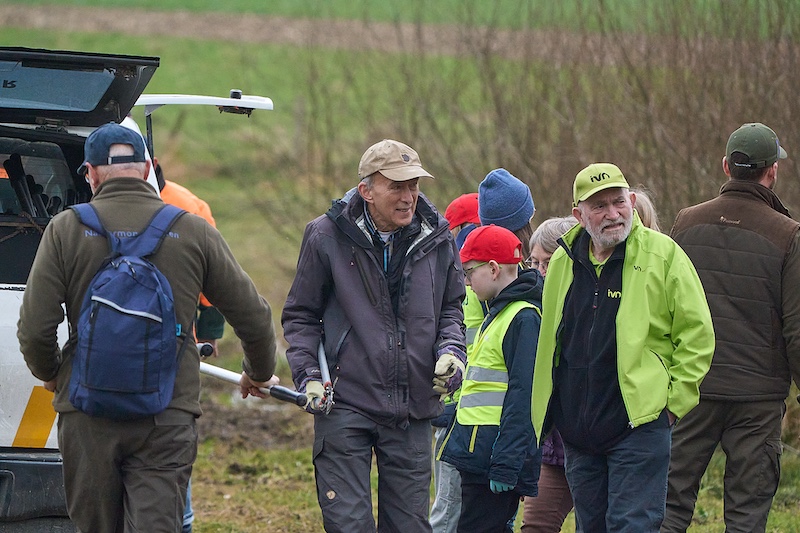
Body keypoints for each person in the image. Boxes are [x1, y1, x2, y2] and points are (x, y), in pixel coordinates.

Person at [17, 123, 278, 533]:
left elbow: (35, 328)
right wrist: (258, 373)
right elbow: (254, 316)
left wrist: (51, 374)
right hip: (166, 413)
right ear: (146, 170)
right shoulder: (192, 229)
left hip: (86, 413)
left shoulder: (66, 229)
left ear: (91, 173)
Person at [281, 139, 466, 533]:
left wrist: (453, 351)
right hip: (345, 401)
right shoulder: (325, 236)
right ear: (366, 191)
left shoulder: (439, 237)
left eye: (413, 185)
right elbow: (300, 316)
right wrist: (309, 376)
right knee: (349, 525)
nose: (408, 196)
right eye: (396, 186)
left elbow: (452, 307)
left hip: (413, 404)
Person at [531, 162, 715, 532]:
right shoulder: (564, 261)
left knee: (633, 526)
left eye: (618, 202)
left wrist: (672, 404)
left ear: (632, 201)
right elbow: (552, 339)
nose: (612, 214)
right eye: (599, 206)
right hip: (580, 432)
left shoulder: (663, 255)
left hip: (640, 426)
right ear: (578, 215)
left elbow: (698, 335)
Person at [663, 123, 800, 533]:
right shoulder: (788, 235)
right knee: (746, 513)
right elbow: (796, 329)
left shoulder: (685, 223)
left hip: (692, 388)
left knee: (667, 506)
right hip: (757, 399)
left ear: (726, 166)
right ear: (771, 171)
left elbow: (665, 308)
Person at [440, 224, 543, 532]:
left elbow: (523, 395)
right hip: (480, 454)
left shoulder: (522, 318)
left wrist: (507, 464)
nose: (467, 282)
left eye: (469, 272)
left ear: (494, 268)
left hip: (494, 459)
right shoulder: (498, 313)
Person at [520, 215, 577, 533]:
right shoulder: (528, 309)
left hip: (594, 441)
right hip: (550, 446)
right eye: (535, 263)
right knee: (536, 525)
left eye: (549, 263)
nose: (540, 272)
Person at [430, 191, 481, 533]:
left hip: (467, 417)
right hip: (452, 413)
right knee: (449, 507)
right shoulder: (457, 282)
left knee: (452, 508)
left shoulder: (481, 282)